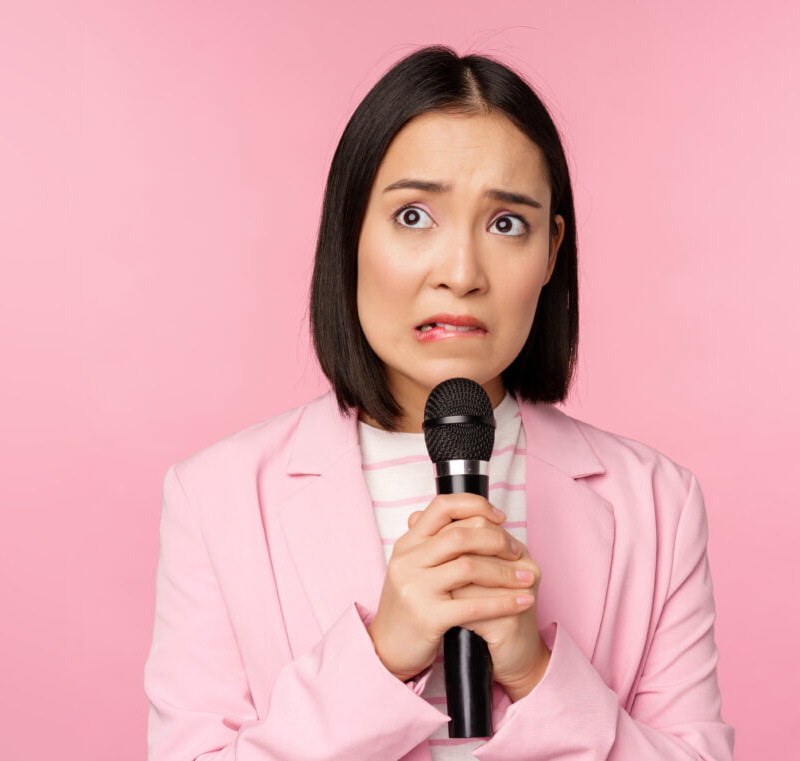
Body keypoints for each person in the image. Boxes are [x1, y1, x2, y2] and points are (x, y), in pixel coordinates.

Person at [143, 45, 734, 761]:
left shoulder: (658, 504)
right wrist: (380, 658)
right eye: (415, 216)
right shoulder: (218, 498)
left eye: (506, 224)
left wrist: (535, 672)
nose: (460, 273)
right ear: (350, 230)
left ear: (550, 252)